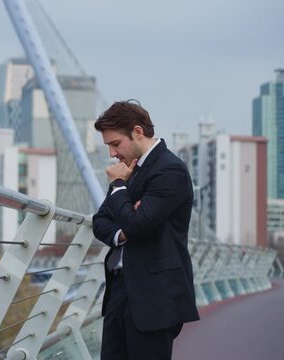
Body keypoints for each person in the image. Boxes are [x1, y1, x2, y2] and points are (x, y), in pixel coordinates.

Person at [92, 100, 199, 360]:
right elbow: (100, 221)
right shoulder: (133, 170)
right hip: (118, 290)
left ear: (137, 132)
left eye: (116, 144)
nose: (112, 154)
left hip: (153, 295)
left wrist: (119, 186)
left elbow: (136, 224)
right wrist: (124, 229)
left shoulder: (169, 170)